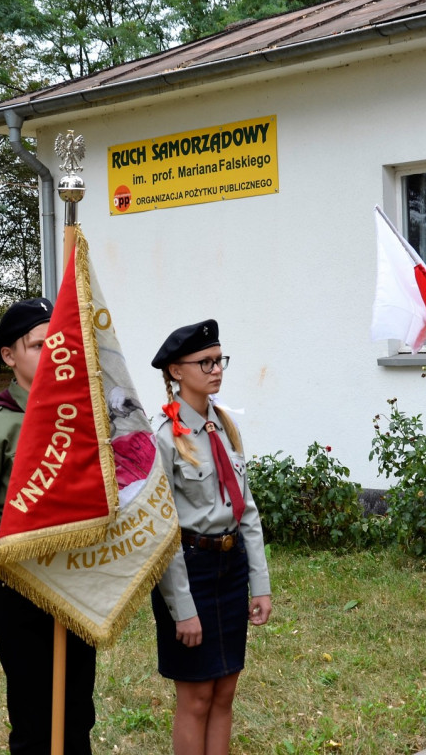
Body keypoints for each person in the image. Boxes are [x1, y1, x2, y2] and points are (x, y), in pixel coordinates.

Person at [0, 297, 97, 755]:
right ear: (8, 356)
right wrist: (25, 550)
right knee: (36, 722)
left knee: (78, 716)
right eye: (39, 345)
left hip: (75, 586)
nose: (53, 354)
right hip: (22, 591)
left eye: (58, 344)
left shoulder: (80, 419)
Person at [150, 319, 272, 755]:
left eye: (220, 360)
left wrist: (260, 583)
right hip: (191, 570)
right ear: (176, 372)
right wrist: (182, 608)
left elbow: (248, 513)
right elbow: (159, 532)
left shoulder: (224, 426)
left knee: (224, 692)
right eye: (205, 362)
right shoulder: (164, 438)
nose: (216, 369)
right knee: (197, 697)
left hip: (230, 567)